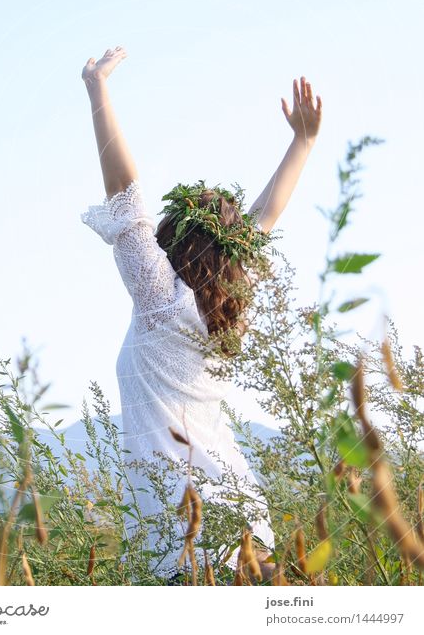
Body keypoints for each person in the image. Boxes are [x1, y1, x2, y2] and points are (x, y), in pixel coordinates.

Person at [80, 46, 322, 583]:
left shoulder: (161, 300)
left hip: (188, 538)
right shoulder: (219, 313)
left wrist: (98, 89)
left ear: (176, 243)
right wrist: (302, 143)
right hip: (235, 521)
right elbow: (263, 218)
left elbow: (126, 195)